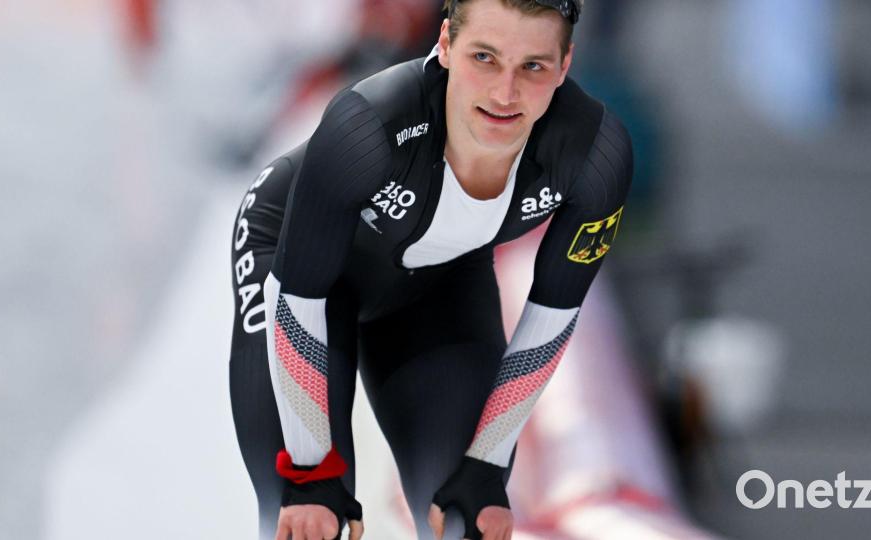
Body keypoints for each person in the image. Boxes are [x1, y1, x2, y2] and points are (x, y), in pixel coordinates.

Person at [228, 0, 633, 538]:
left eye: (532, 67)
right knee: (307, 521)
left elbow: (552, 318)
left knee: (463, 518)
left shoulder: (595, 157)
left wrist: (487, 464)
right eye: (484, 58)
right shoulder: (368, 125)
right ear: (444, 45)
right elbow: (299, 298)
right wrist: (310, 473)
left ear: (564, 67)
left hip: (439, 285)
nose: (504, 94)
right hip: (294, 270)